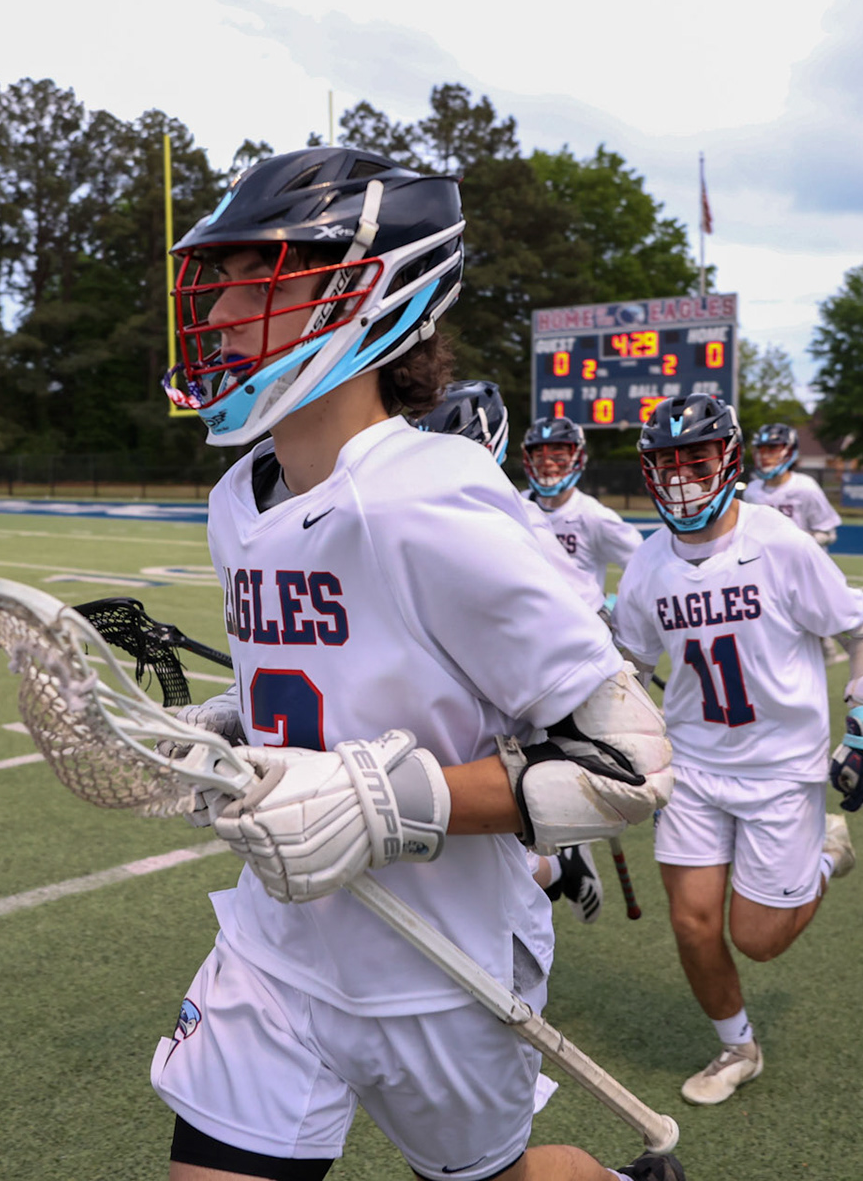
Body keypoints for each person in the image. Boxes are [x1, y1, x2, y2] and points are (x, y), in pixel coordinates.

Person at [158, 146, 683, 1181]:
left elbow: (630, 761)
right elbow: (345, 676)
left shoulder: (429, 496)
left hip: (435, 956)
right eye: (216, 280)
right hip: (276, 943)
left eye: (260, 276)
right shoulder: (238, 498)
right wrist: (230, 728)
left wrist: (388, 802)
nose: (216, 310)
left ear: (368, 292)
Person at [611, 395, 863, 1106]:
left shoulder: (779, 542)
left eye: (697, 459)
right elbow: (632, 662)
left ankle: (826, 855)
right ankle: (738, 1047)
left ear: (729, 458)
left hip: (780, 769)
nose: (682, 477)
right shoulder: (648, 562)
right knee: (692, 923)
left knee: (759, 938)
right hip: (693, 766)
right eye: (667, 463)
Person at [419, 380, 604, 925]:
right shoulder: (411, 510)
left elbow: (582, 613)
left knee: (474, 853)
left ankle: (556, 868)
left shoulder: (519, 521)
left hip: (495, 694)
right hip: (445, 681)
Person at [520, 415, 644, 612]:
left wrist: (614, 604)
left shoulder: (593, 515)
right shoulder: (516, 505)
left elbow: (642, 563)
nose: (548, 463)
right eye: (539, 456)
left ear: (577, 457)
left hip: (579, 623)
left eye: (558, 455)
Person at [742, 423, 839, 548]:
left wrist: (796, 541)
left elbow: (828, 534)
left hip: (800, 558)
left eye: (772, 448)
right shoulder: (752, 490)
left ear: (789, 451)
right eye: (761, 448)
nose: (764, 455)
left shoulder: (806, 488)